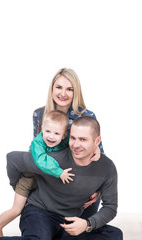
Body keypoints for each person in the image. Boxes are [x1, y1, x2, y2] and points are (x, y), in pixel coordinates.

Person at [2, 115, 122, 240]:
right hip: (40, 213)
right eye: (73, 138)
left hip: (70, 219)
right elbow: (12, 159)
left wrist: (87, 224)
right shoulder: (50, 160)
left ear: (97, 141)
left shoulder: (107, 167)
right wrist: (19, 189)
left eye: (82, 139)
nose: (76, 145)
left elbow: (110, 207)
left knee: (114, 234)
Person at [0, 110, 76, 238]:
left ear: (64, 134)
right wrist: (59, 172)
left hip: (42, 180)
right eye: (48, 131)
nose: (51, 136)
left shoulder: (65, 141)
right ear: (42, 129)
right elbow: (41, 161)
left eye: (56, 133)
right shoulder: (37, 142)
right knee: (17, 209)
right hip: (28, 178)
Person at [33, 67, 103, 216]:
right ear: (52, 89)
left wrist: (98, 188)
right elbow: (38, 151)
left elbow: (100, 156)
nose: (63, 93)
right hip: (53, 179)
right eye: (58, 87)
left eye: (69, 89)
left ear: (75, 92)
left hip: (82, 184)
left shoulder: (87, 116)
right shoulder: (39, 114)